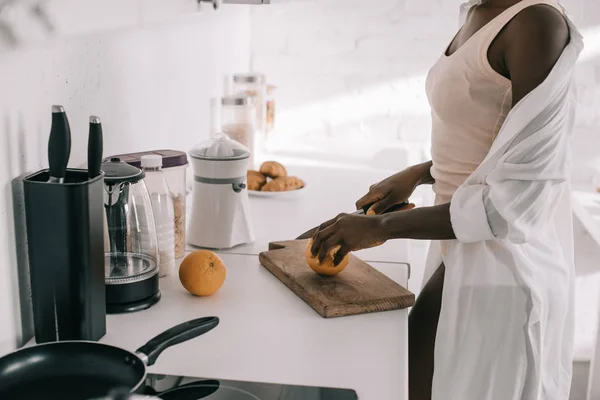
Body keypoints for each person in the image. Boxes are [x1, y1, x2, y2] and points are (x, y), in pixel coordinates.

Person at [309, 0, 584, 399]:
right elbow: (490, 139)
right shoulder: (476, 11)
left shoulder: (536, 23)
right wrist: (423, 173)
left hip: (503, 267)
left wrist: (380, 227)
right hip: (460, 245)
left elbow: (518, 199)